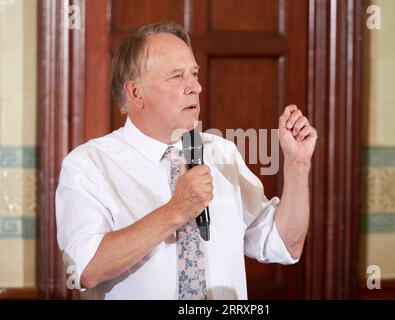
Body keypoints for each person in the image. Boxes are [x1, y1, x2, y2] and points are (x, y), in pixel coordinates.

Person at [55, 22, 317, 300]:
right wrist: (176, 210)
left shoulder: (222, 153)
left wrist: (298, 165)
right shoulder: (88, 165)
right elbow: (84, 269)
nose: (195, 87)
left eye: (194, 74)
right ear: (135, 93)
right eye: (177, 76)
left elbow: (285, 245)